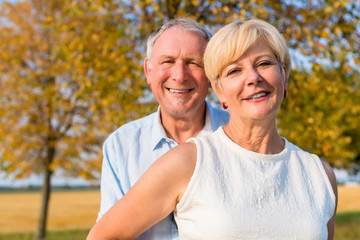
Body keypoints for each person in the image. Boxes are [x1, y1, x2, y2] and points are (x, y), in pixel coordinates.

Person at [88, 19, 337, 240]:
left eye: (263, 63)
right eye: (234, 70)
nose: (253, 77)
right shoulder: (187, 159)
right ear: (219, 89)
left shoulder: (320, 175)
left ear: (284, 75)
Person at [95, 18, 230, 240]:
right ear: (148, 71)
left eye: (193, 63)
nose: (179, 75)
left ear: (211, 76)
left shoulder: (240, 135)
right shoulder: (121, 145)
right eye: (167, 61)